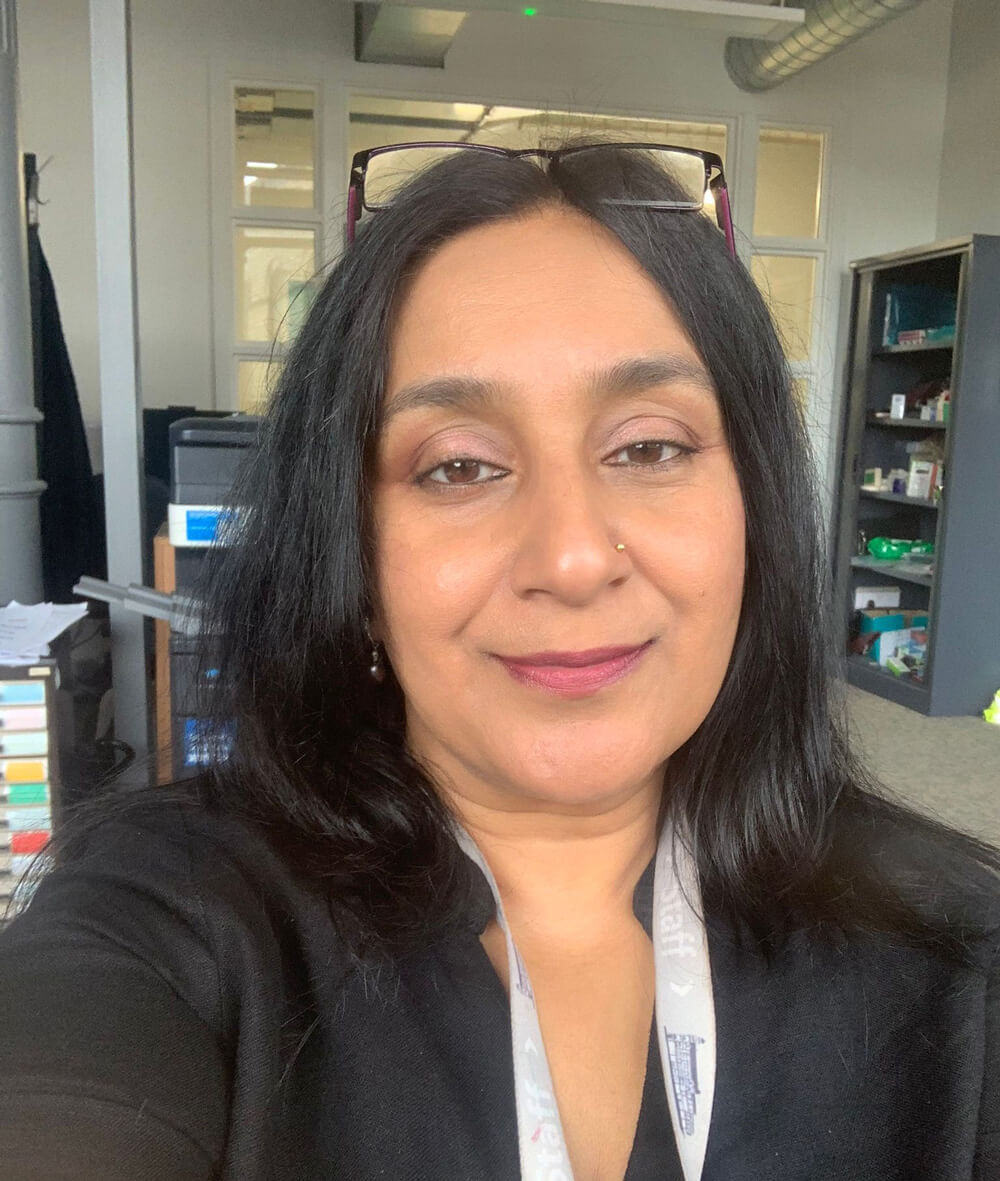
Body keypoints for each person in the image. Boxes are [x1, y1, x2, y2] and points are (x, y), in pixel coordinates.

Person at [0, 140, 998, 1181]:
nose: (570, 559)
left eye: (649, 447)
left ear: (755, 513)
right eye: (459, 465)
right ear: (352, 548)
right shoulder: (177, 913)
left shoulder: (956, 953)